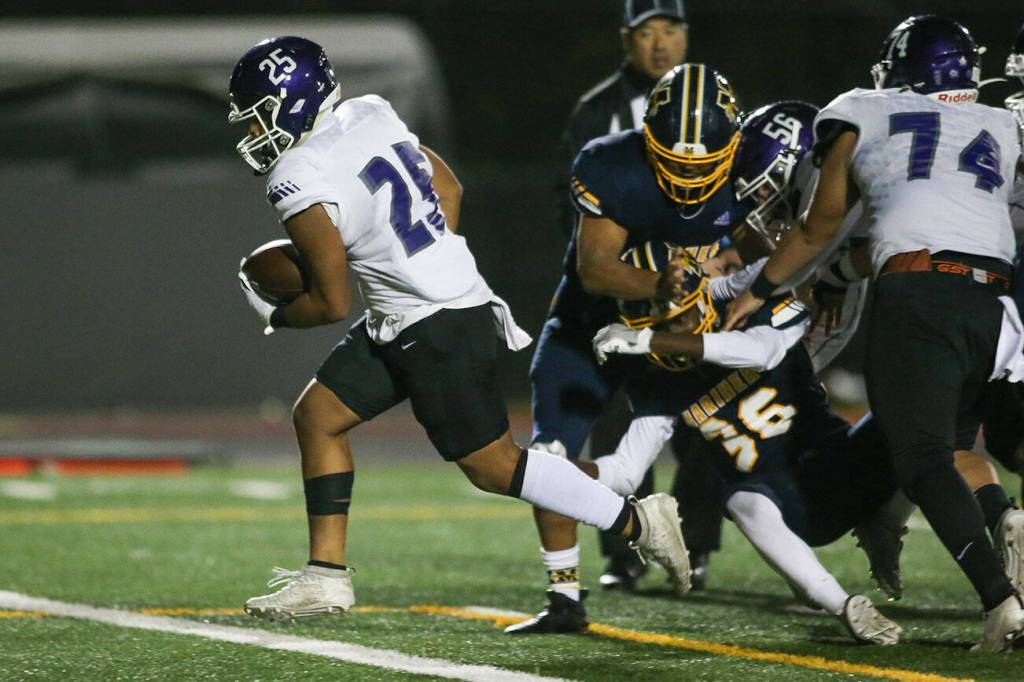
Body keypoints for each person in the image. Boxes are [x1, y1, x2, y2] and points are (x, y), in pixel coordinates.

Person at [226, 36, 690, 621]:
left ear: (293, 102)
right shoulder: (369, 112)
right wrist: (425, 261)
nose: (253, 131)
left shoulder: (295, 172)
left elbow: (330, 302)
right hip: (421, 310)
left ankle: (639, 522)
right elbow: (449, 188)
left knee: (495, 467)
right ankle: (325, 577)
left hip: (434, 323)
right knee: (318, 416)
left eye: (259, 115)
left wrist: (275, 313)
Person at [724, 16, 1024, 651]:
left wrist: (759, 290)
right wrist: (840, 273)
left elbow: (816, 226)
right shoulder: (1000, 124)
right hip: (995, 302)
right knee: (956, 445)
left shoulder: (861, 108)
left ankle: (1001, 604)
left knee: (922, 460)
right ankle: (995, 524)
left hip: (918, 294)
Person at [508, 62, 743, 634]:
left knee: (736, 447)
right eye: (673, 158)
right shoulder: (611, 164)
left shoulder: (750, 169)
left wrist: (723, 281)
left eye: (702, 162)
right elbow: (594, 269)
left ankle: (801, 575)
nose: (687, 174)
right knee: (551, 456)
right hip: (592, 327)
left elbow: (762, 253)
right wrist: (660, 284)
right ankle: (565, 597)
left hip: (679, 339)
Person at [587, 243, 905, 644]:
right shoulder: (657, 382)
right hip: (788, 509)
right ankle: (844, 605)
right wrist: (553, 466)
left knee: (911, 417)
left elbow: (760, 352)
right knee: (741, 501)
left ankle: (887, 522)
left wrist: (653, 341)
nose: (674, 332)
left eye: (680, 319)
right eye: (660, 326)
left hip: (840, 466)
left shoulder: (752, 306)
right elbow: (624, 472)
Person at [546, 0, 693, 596]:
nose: (660, 43)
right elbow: (571, 203)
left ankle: (699, 542)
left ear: (686, 35)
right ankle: (625, 549)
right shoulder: (597, 110)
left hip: (699, 283)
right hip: (624, 290)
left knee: (707, 410)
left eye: (671, 29)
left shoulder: (709, 101)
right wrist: (620, 272)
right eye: (647, 32)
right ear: (626, 39)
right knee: (613, 414)